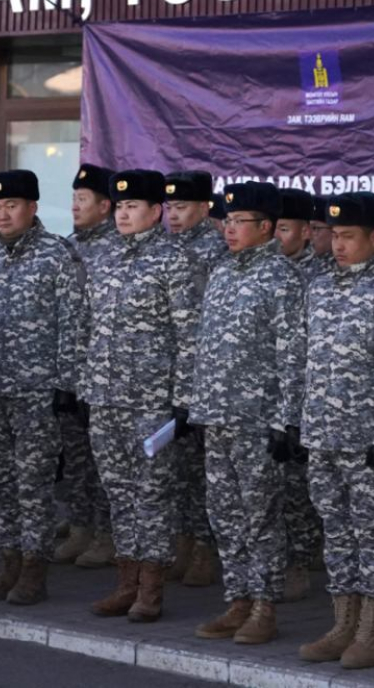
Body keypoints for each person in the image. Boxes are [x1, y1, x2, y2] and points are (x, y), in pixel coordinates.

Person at [289, 192, 374, 670]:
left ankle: (370, 632)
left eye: (348, 236)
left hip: (368, 442)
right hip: (322, 435)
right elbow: (302, 363)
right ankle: (341, 625)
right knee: (337, 534)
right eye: (334, 235)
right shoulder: (319, 287)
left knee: (373, 535)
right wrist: (296, 422)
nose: (338, 244)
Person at [182, 181, 305, 646]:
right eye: (227, 221)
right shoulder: (222, 272)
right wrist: (196, 406)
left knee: (261, 516)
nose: (229, 229)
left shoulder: (283, 278)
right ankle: (237, 599)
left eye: (239, 222)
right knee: (224, 514)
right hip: (217, 416)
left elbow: (293, 355)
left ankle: (264, 607)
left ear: (267, 227)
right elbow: (205, 347)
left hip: (258, 420)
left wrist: (287, 420)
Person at [0, 169, 87, 606]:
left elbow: (74, 322)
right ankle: (9, 560)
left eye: (12, 206)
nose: (3, 215)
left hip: (37, 392)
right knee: (0, 482)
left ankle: (34, 567)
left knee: (33, 483)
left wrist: (67, 382)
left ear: (32, 208)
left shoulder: (57, 255)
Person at [83, 169, 202, 623]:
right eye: (120, 206)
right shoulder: (104, 257)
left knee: (152, 494)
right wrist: (85, 384)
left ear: (156, 212)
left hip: (152, 399)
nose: (123, 214)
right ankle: (126, 582)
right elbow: (90, 327)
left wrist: (183, 399)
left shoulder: (176, 260)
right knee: (118, 492)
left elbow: (189, 335)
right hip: (105, 395)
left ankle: (151, 588)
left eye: (133, 206)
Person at [162, 170, 226, 587]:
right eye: (169, 207)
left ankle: (204, 548)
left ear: (204, 208)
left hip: (204, 377)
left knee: (204, 471)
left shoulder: (216, 251)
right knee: (178, 470)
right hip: (166, 374)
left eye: (182, 207)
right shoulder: (164, 248)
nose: (173, 215)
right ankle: (182, 540)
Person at [57, 163, 118, 569]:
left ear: (105, 205)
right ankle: (79, 525)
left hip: (105, 373)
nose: (75, 206)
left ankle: (105, 532)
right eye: (74, 199)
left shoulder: (116, 249)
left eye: (83, 199)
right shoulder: (67, 247)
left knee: (104, 463)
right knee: (76, 456)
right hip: (70, 369)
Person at [274, 188, 324, 601]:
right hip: (266, 397)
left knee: (297, 489)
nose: (276, 236)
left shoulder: (320, 278)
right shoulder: (264, 272)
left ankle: (300, 563)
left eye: (285, 229)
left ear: (307, 232)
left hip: (306, 398)